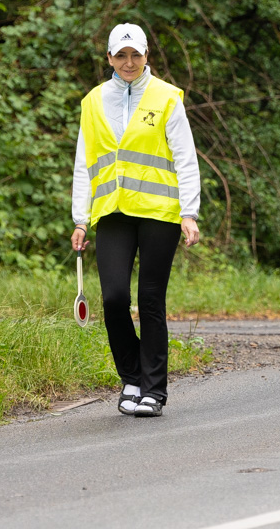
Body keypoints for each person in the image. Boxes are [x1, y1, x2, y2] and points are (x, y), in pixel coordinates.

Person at [70, 23, 201, 417]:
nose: (129, 63)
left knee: (150, 300)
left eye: (136, 55)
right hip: (112, 212)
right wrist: (80, 219)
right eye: (121, 55)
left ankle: (154, 391)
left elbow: (185, 158)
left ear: (147, 57)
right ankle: (130, 379)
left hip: (159, 213)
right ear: (109, 58)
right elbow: (83, 164)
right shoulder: (93, 101)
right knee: (113, 298)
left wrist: (189, 213)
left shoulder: (165, 97)